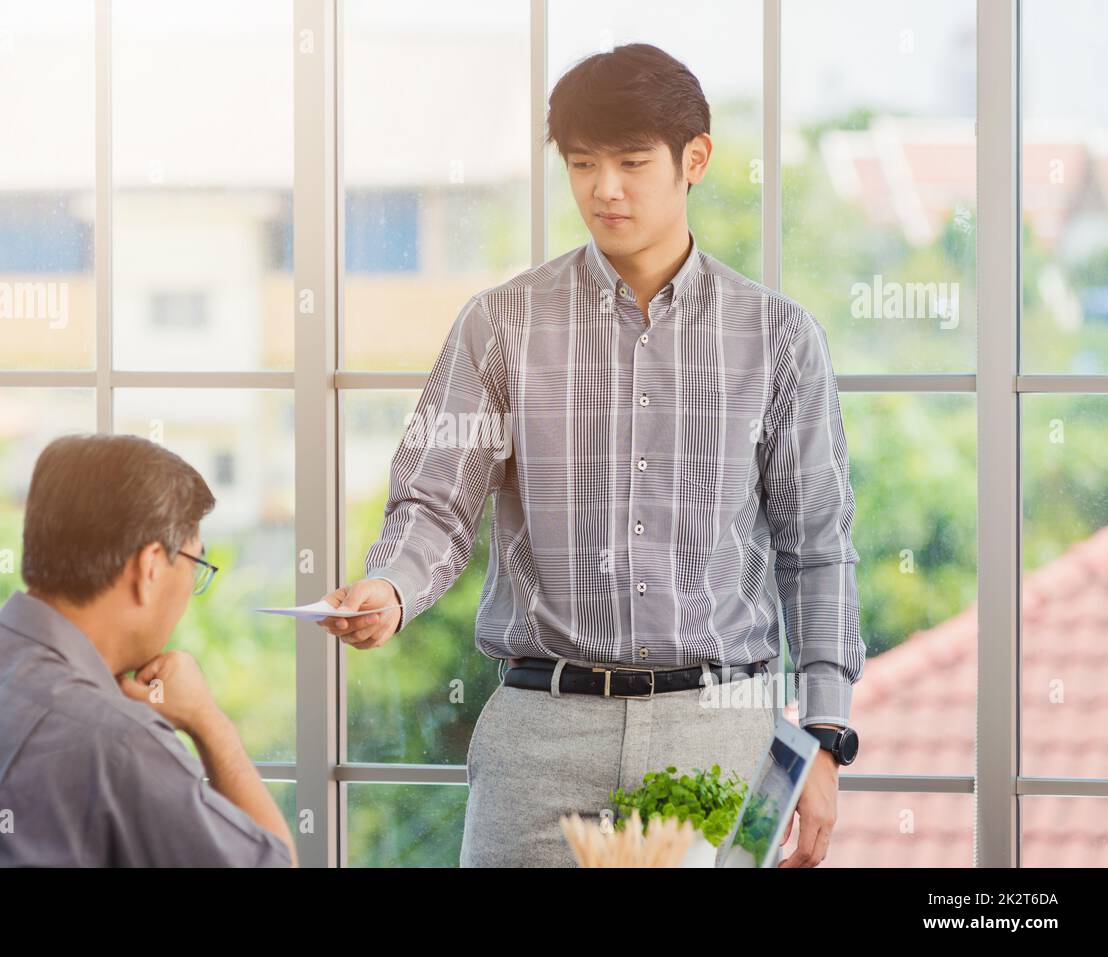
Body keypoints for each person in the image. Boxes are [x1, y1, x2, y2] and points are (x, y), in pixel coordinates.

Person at [315, 42, 864, 868]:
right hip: (540, 732)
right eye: (582, 164)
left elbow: (817, 546)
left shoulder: (778, 338)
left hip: (720, 731)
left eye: (633, 162)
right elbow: (435, 502)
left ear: (696, 160)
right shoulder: (500, 324)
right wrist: (390, 588)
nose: (604, 188)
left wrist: (823, 735)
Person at [0, 433, 295, 867]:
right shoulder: (120, 745)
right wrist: (208, 722)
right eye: (195, 561)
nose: (193, 583)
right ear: (149, 567)